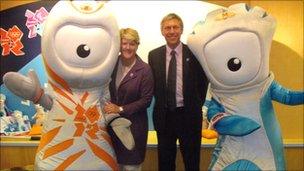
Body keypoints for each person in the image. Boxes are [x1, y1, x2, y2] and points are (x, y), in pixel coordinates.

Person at [148, 13, 209, 171]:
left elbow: (203, 83)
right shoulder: (153, 55)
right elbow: (154, 86)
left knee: (191, 161)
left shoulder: (194, 53)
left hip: (189, 116)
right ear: (162, 31)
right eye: (167, 28)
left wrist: (195, 104)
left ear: (181, 30)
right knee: (165, 163)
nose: (172, 31)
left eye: (175, 27)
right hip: (164, 117)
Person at [103, 28, 154, 171]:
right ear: (119, 44)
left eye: (132, 44)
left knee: (130, 166)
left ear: (137, 45)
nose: (127, 47)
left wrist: (120, 109)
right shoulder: (109, 65)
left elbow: (146, 100)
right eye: (124, 43)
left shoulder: (144, 70)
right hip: (110, 129)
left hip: (133, 128)